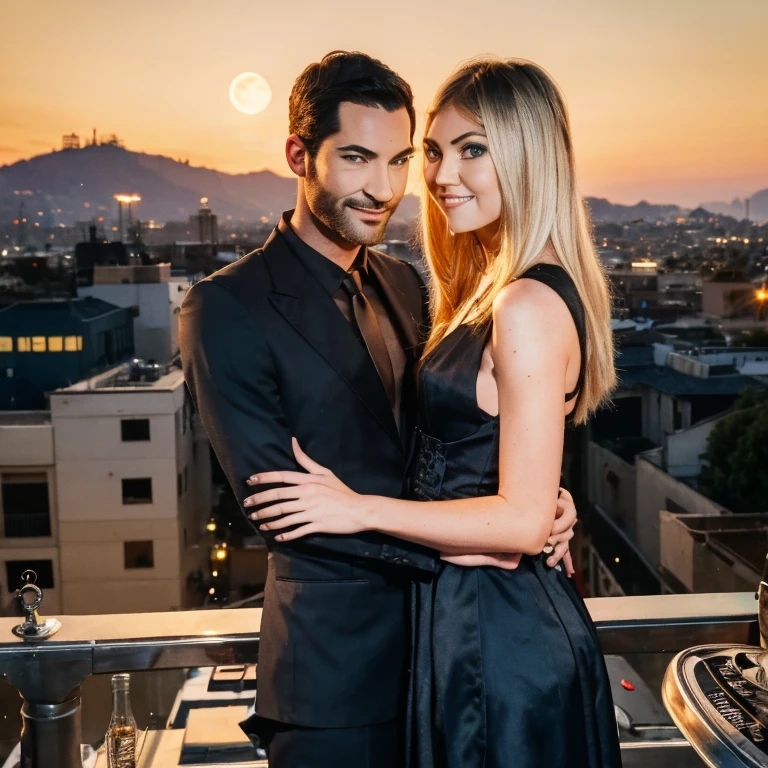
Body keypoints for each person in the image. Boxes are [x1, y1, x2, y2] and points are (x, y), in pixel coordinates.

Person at [180, 51, 577, 768]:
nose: (386, 188)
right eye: (359, 159)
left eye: (401, 160)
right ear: (300, 155)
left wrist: (532, 499)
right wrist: (487, 536)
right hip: (334, 680)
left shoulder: (405, 282)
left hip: (450, 657)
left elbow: (450, 441)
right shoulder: (225, 306)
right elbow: (287, 510)